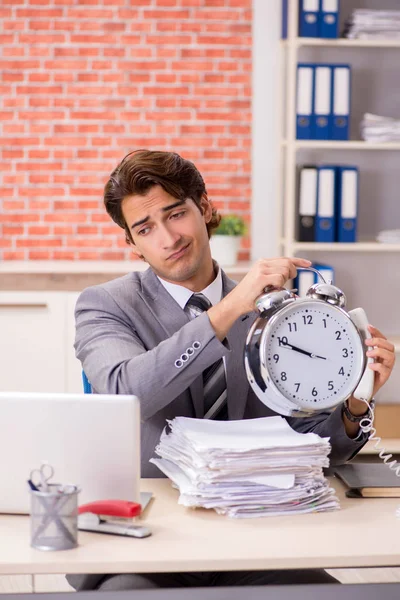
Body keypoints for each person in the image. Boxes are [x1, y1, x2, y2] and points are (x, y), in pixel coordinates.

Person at [69, 149, 395, 592]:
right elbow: (126, 393)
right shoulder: (106, 305)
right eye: (146, 229)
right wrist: (230, 307)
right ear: (133, 243)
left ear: (203, 208)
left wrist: (355, 402)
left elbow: (309, 448)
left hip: (256, 536)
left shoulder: (277, 313)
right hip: (149, 543)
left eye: (176, 214)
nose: (168, 237)